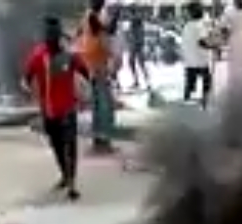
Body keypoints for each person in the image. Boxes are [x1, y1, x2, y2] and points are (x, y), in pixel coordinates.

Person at [21, 14, 83, 199]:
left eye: (55, 37)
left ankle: (72, 184)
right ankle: (66, 175)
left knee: (70, 145)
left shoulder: (69, 55)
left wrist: (88, 86)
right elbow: (26, 78)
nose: (53, 40)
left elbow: (84, 70)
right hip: (49, 112)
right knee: (57, 146)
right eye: (50, 37)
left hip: (68, 109)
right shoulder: (38, 55)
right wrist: (28, 90)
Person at [78, 0, 117, 153]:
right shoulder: (92, 17)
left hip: (95, 64)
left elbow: (106, 32)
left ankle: (99, 140)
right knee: (104, 104)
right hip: (96, 65)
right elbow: (107, 30)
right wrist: (114, 17)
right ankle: (102, 140)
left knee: (99, 103)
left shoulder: (91, 17)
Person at [178, 2, 214, 104]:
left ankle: (187, 97)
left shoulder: (187, 26)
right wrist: (213, 47)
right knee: (206, 79)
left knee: (190, 81)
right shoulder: (199, 25)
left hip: (189, 60)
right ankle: (205, 98)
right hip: (200, 60)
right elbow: (202, 42)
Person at [123, 11, 149, 90]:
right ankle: (139, 81)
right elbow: (131, 35)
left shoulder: (136, 21)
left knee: (140, 64)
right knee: (134, 63)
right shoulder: (134, 22)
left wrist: (134, 42)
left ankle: (144, 81)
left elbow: (138, 35)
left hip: (136, 45)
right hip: (135, 45)